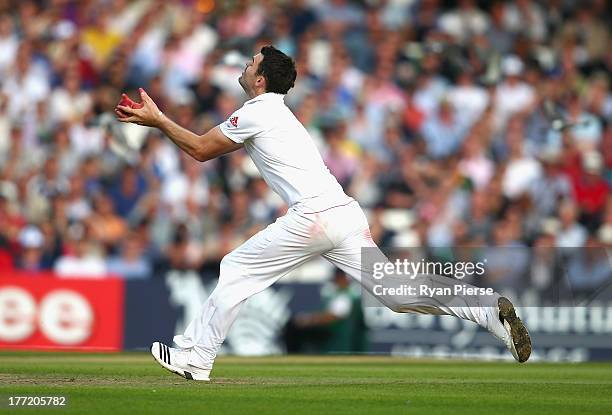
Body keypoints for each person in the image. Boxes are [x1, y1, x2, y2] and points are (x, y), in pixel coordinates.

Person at [115, 45, 531, 382]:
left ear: (259, 80)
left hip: (313, 217)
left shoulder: (258, 110)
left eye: (251, 63)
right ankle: (487, 308)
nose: (245, 65)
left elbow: (201, 150)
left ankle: (195, 356)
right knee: (398, 294)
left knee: (236, 267)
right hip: (344, 214)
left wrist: (158, 120)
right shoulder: (276, 111)